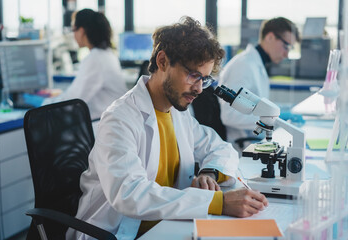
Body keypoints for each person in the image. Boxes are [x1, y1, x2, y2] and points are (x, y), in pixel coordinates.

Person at [67, 16, 268, 240]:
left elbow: (220, 148)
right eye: (193, 75)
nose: (199, 89)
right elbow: (130, 194)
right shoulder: (120, 118)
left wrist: (209, 172)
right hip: (119, 233)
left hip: (168, 226)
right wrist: (217, 202)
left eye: (204, 79)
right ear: (162, 61)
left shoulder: (177, 113)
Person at [219, 17, 300, 152]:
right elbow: (229, 116)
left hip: (256, 139)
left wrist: (278, 111)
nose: (286, 54)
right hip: (242, 145)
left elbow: (255, 106)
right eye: (286, 46)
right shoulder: (243, 66)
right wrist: (273, 119)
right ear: (269, 37)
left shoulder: (256, 64)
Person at [43, 9, 127, 120]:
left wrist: (44, 103)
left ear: (81, 31)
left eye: (74, 30)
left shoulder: (96, 59)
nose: (73, 35)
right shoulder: (107, 54)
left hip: (105, 126)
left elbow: (71, 102)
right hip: (112, 121)